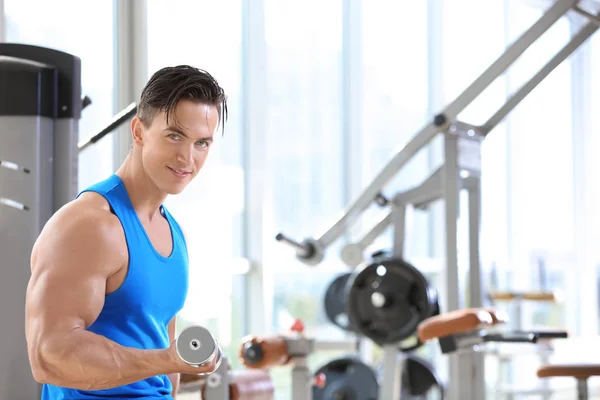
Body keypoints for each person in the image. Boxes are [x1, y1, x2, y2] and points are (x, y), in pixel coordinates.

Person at [24, 65, 228, 399]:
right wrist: (165, 359)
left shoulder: (172, 232)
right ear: (138, 131)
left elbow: (163, 352)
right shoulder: (90, 225)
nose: (187, 157)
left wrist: (171, 361)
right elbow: (49, 355)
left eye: (201, 143)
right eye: (174, 135)